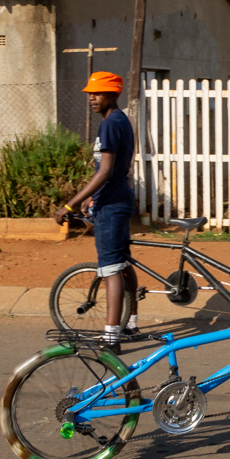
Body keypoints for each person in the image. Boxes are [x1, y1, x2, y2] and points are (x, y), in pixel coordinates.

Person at [53, 72, 138, 352]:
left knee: (111, 269)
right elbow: (111, 172)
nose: (91, 98)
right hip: (116, 198)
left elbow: (105, 170)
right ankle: (131, 322)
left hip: (112, 206)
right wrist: (93, 197)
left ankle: (111, 338)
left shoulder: (111, 124)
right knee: (123, 263)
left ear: (112, 95)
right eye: (90, 93)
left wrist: (71, 203)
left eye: (97, 93)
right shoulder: (118, 121)